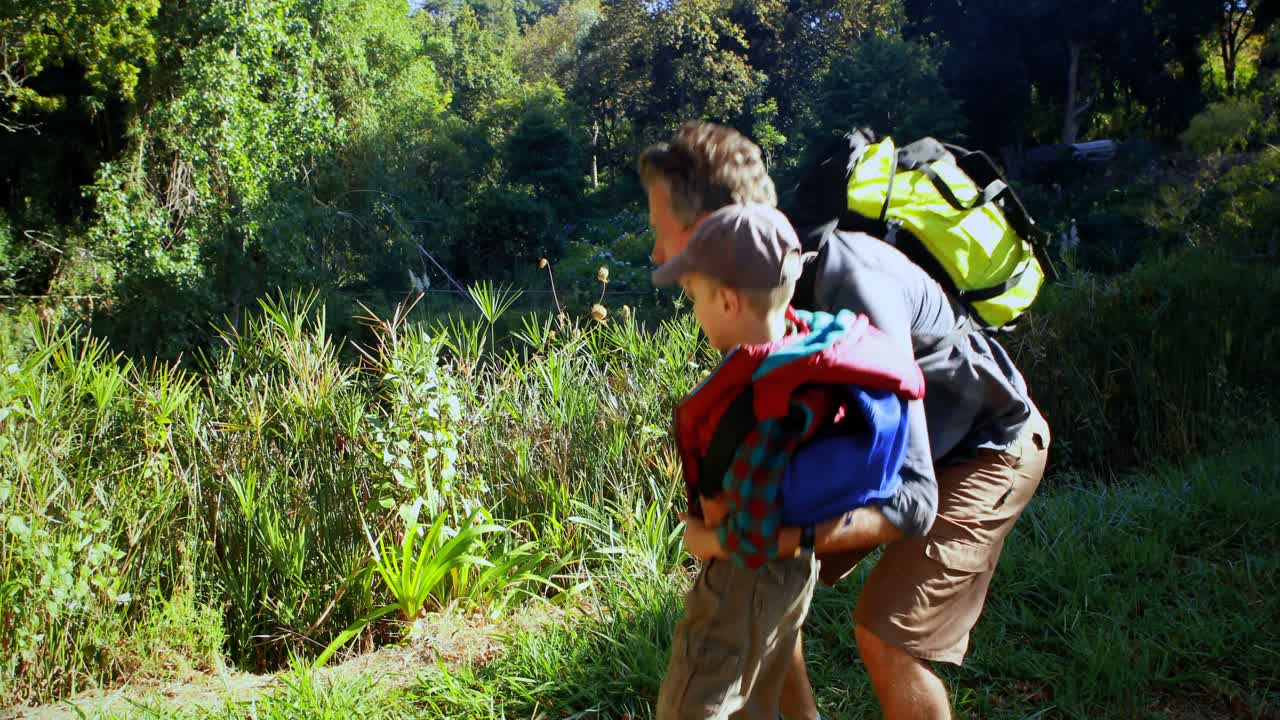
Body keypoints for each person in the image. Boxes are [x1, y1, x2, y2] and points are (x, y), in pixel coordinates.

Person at [640, 121, 1051, 720]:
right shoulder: (755, 301)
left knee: (888, 634)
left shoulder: (848, 285)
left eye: (661, 232)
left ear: (709, 230)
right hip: (887, 449)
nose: (655, 253)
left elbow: (914, 501)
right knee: (771, 585)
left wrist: (788, 537)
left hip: (985, 448)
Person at [651, 203, 924, 720]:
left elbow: (754, 529)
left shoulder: (762, 402)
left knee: (693, 703)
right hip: (791, 582)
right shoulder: (804, 348)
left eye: (695, 298)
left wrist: (702, 540)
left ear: (727, 300)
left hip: (745, 581)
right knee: (758, 701)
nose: (695, 311)